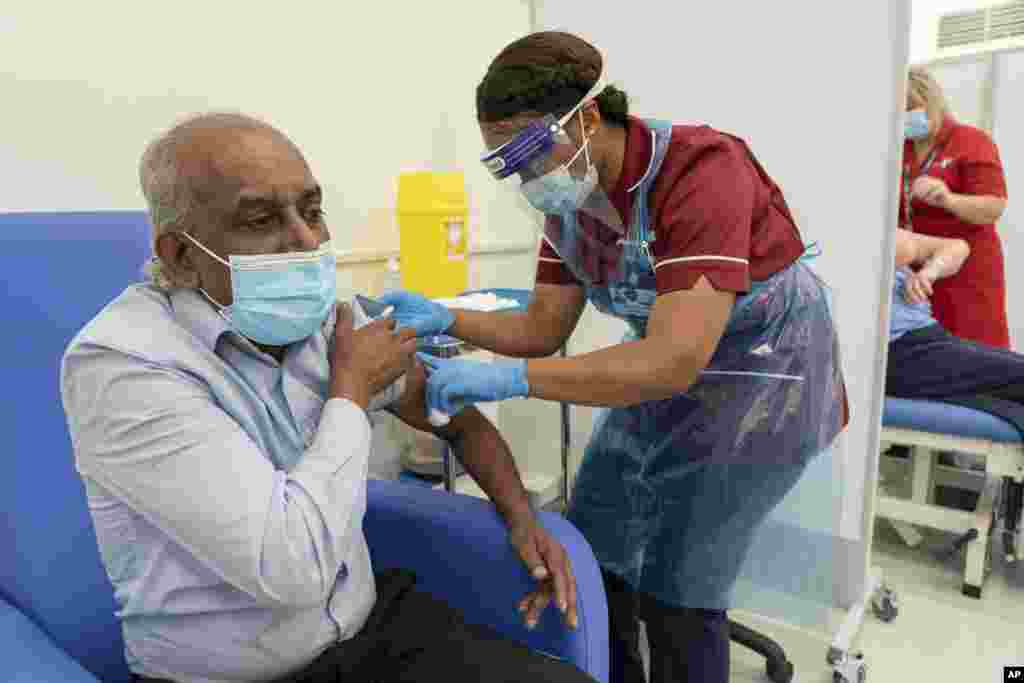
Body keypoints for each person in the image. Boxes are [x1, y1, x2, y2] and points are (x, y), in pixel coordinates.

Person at [379, 31, 848, 683]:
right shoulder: (571, 200)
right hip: (660, 364)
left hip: (762, 378)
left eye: (531, 153)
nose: (528, 178)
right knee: (597, 537)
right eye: (509, 165)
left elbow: (673, 361)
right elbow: (543, 326)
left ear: (589, 117)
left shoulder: (702, 169)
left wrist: (513, 379)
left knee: (681, 582)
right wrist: (444, 316)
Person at [60, 112, 594, 683]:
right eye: (262, 219)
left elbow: (452, 414)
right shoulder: (125, 365)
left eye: (312, 211)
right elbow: (291, 568)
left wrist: (521, 518)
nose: (307, 240)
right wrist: (351, 390)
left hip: (369, 636)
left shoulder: (322, 324)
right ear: (181, 256)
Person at [887, 227, 1024, 561]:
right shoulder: (860, 240)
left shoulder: (888, 235)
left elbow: (957, 246)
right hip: (900, 354)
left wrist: (928, 272)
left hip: (929, 338)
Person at [902, 66, 1010, 348]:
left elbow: (994, 207)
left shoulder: (971, 141)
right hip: (916, 271)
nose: (906, 116)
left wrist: (949, 200)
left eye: (912, 108)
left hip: (966, 271)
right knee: (924, 349)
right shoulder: (901, 149)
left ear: (932, 103)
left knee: (974, 347)